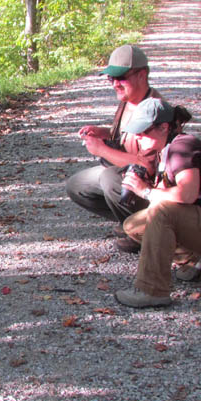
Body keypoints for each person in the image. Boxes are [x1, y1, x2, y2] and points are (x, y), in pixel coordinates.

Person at [113, 98, 201, 308]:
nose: (138, 137)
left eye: (143, 131)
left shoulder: (183, 147)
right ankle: (194, 258)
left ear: (164, 127)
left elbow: (187, 195)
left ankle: (152, 290)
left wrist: (144, 190)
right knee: (133, 225)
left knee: (161, 212)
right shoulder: (167, 148)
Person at [65, 44, 164, 253]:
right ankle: (133, 223)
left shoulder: (154, 111)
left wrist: (102, 150)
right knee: (77, 185)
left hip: (152, 188)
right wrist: (104, 133)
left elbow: (148, 165)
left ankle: (145, 230)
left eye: (121, 78)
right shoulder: (129, 100)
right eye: (111, 79)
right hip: (130, 174)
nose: (115, 85)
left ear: (142, 74)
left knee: (109, 178)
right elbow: (125, 136)